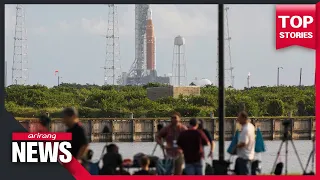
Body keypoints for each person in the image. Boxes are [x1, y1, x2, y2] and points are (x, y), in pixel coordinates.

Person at [235, 111, 256, 175]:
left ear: (244, 118)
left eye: (239, 118)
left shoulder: (245, 129)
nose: (238, 119)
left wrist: (236, 147)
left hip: (244, 157)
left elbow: (244, 143)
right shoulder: (251, 126)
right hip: (249, 155)